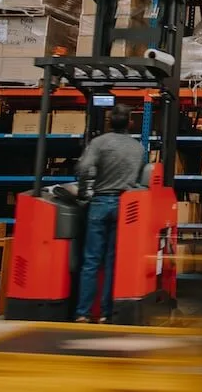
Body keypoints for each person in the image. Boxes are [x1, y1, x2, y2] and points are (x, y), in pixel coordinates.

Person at [74, 104, 145, 323]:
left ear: (109, 121)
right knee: (112, 261)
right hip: (125, 206)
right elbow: (140, 177)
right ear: (130, 122)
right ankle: (106, 313)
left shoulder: (99, 143)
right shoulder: (138, 148)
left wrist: (86, 187)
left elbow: (83, 168)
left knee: (91, 260)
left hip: (100, 202)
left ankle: (83, 313)